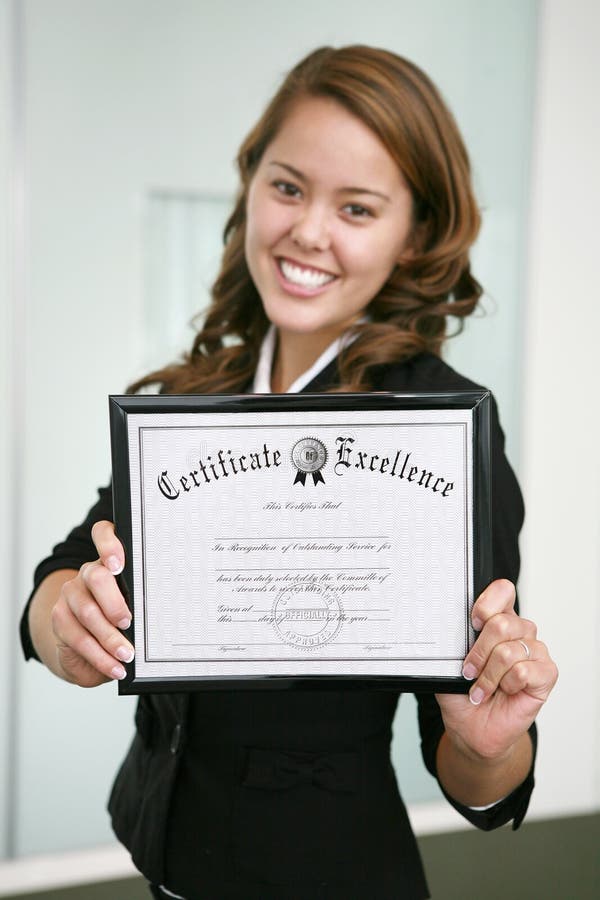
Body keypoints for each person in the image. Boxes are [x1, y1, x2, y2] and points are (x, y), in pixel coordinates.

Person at [20, 45, 558, 900]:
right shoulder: (195, 394)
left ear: (414, 233)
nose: (309, 230)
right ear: (251, 184)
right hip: (163, 856)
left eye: (357, 207)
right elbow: (60, 574)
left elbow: (480, 782)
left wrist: (490, 742)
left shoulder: (442, 436)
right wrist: (64, 623)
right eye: (288, 186)